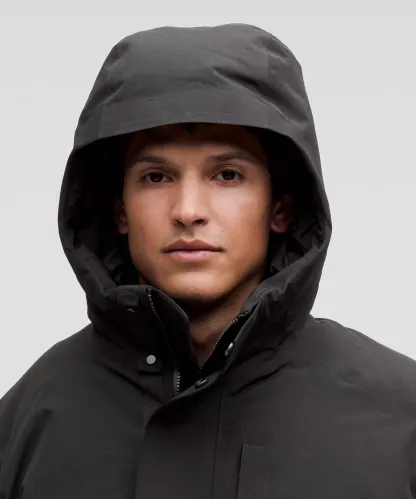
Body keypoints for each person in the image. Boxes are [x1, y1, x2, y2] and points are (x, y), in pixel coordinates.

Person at [0, 23, 415, 499]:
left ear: (281, 207)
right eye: (156, 177)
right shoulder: (28, 423)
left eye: (228, 174)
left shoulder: (400, 423)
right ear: (120, 211)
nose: (188, 210)